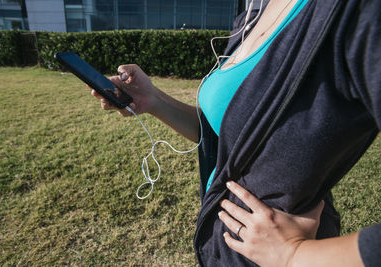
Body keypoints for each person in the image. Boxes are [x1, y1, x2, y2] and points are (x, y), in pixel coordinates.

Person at [89, 0, 381, 265]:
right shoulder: (257, 8)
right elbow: (232, 135)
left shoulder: (359, 12)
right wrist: (153, 101)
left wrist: (294, 255)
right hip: (224, 249)